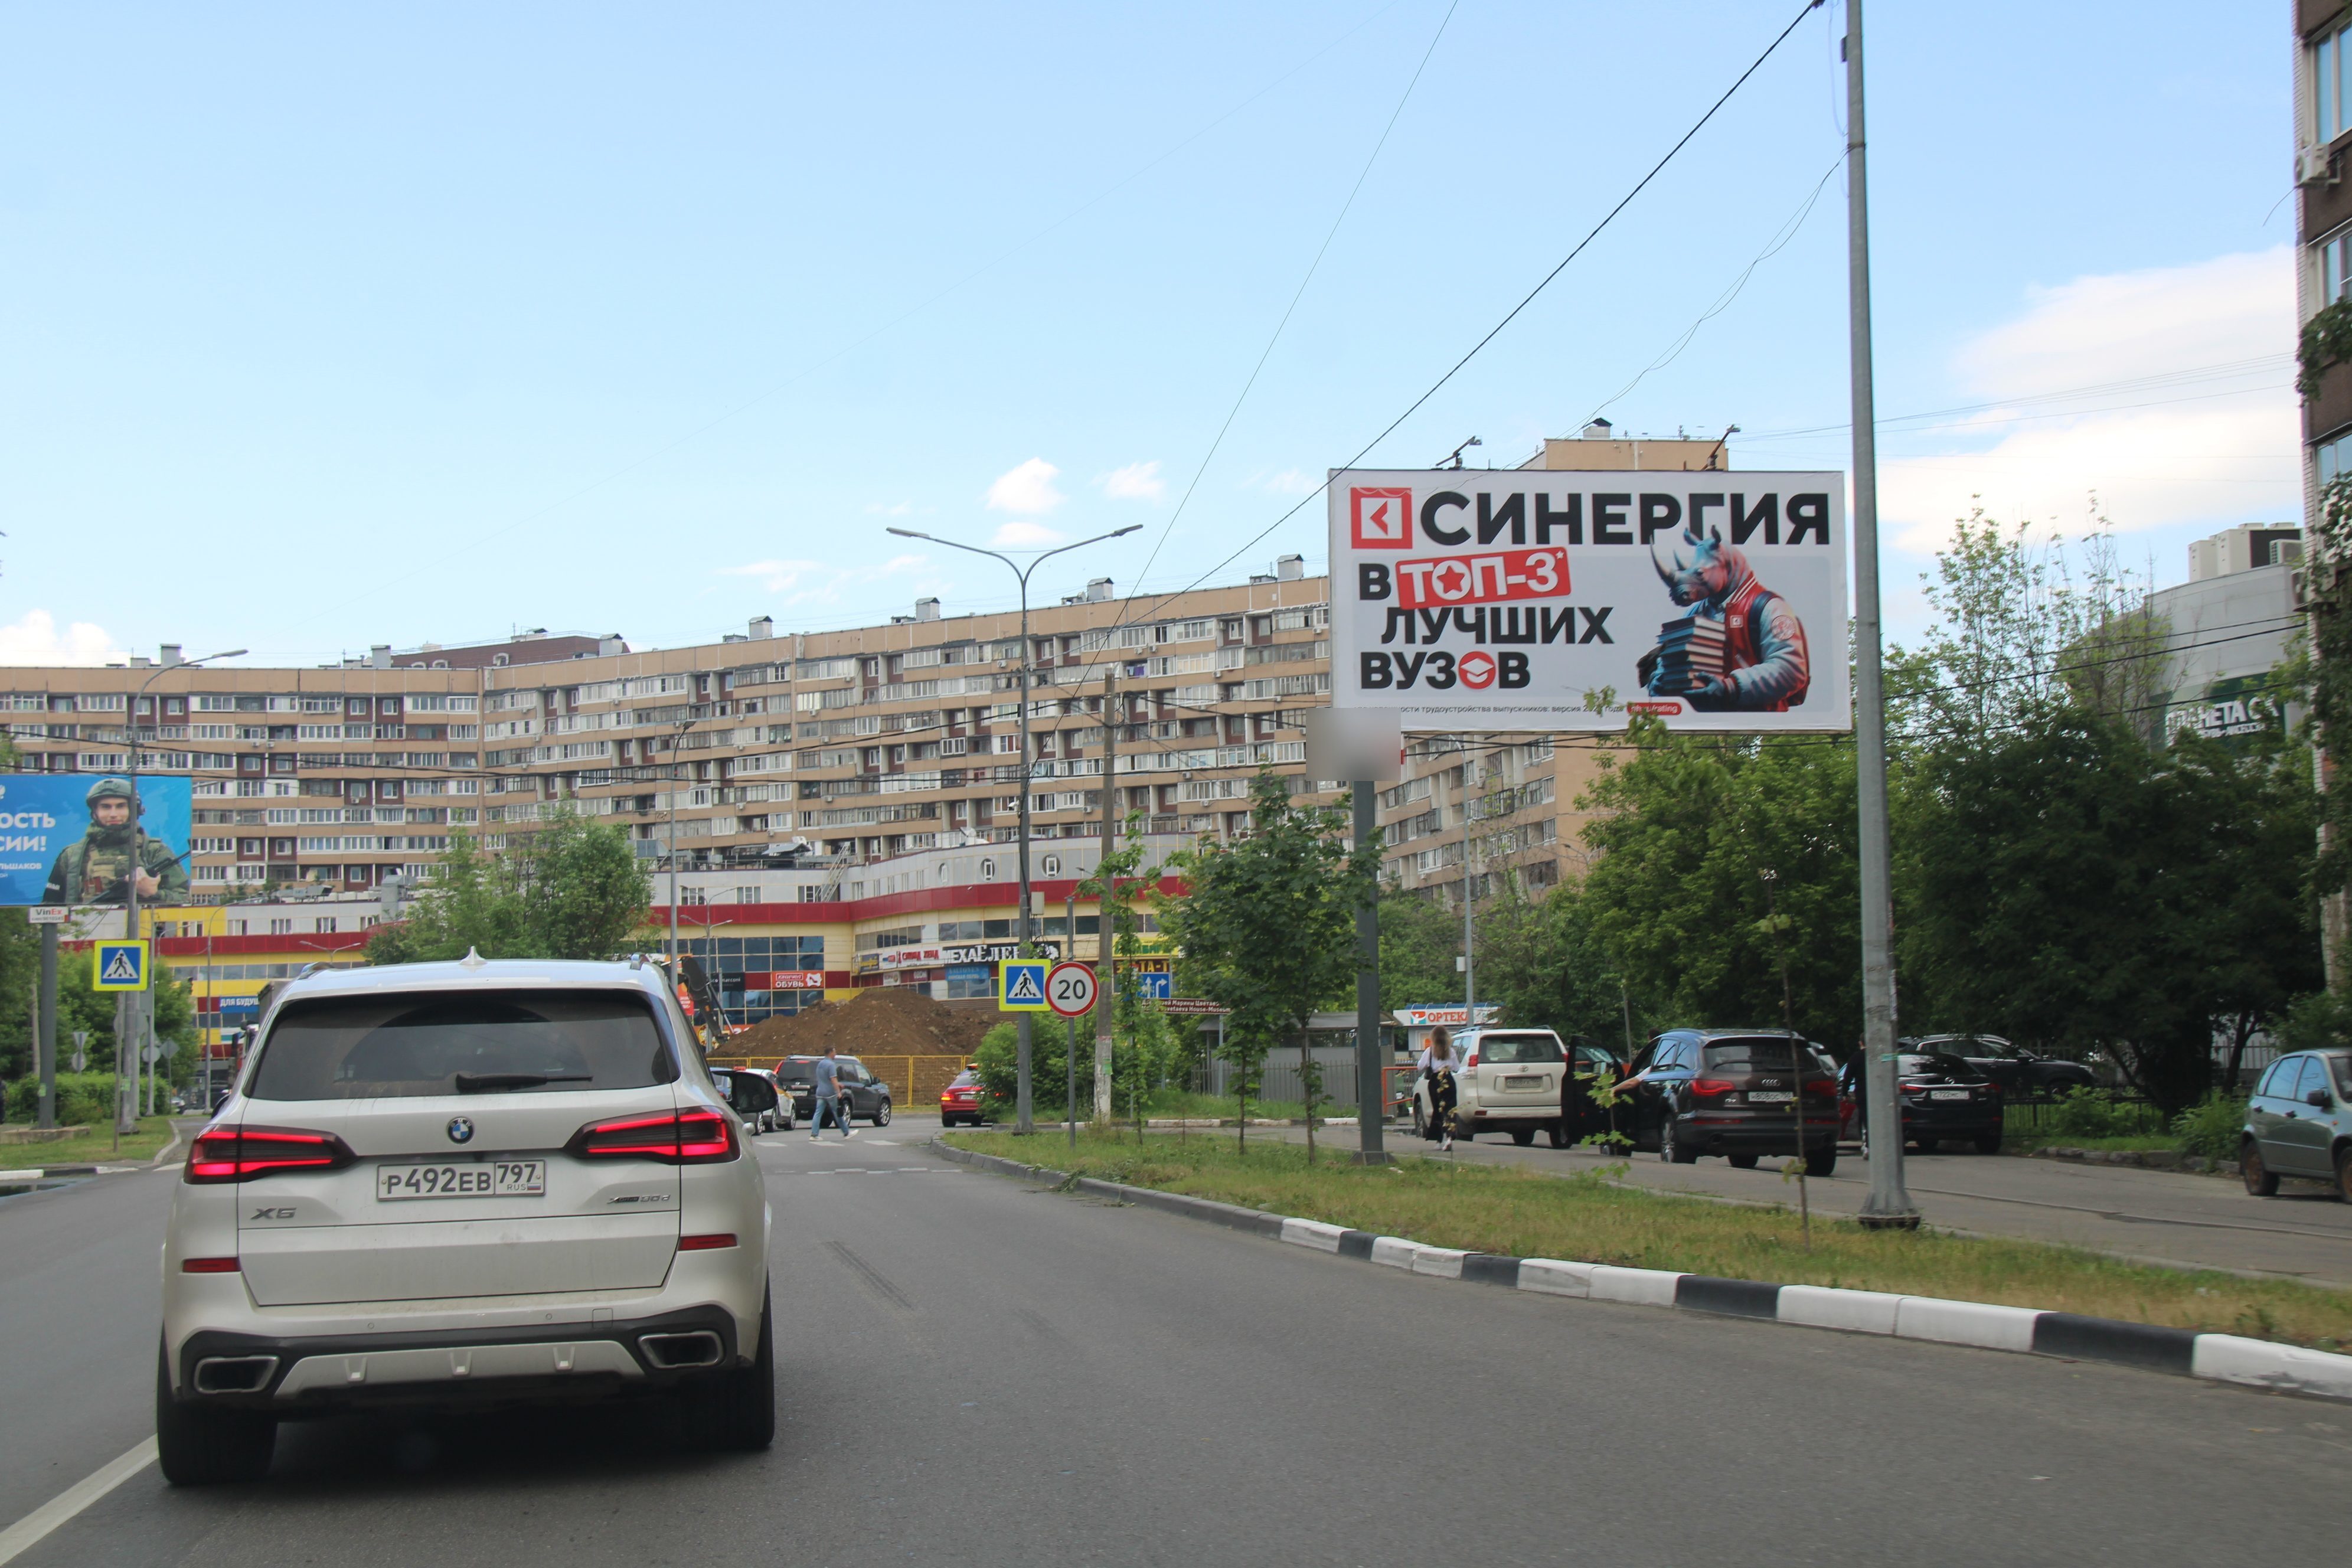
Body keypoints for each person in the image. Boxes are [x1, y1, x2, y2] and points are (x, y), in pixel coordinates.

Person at [1638, 526, 1812, 712]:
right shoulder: (1696, 612)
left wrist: (1732, 687)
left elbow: (1791, 669)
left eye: (1700, 574)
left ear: (1724, 565)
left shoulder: (1769, 608)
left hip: (1760, 723)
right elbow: (1674, 659)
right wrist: (1661, 682)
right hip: (1705, 730)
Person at [41, 778, 188, 907]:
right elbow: (51, 906)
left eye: (121, 806)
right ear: (95, 812)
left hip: (142, 932)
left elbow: (183, 898)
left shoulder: (155, 851)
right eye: (105, 807)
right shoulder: (72, 856)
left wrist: (153, 893)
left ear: (134, 810)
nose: (113, 814)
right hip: (83, 933)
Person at [1418, 1027, 1462, 1152]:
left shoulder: (1430, 1051)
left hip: (1435, 1082)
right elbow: (1457, 1068)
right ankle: (1450, 1138)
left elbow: (1420, 1066)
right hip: (1448, 1080)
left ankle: (1439, 1140)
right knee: (1450, 1110)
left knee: (1438, 1111)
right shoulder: (1451, 1051)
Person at [808, 1044, 854, 1140]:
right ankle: (846, 1132)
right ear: (831, 1053)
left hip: (820, 1092)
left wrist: (839, 1084)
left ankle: (814, 1134)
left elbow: (824, 1078)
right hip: (830, 1093)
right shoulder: (831, 1065)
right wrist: (839, 1092)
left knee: (818, 1113)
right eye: (835, 1052)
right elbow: (833, 1079)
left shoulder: (821, 1064)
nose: (836, 1054)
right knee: (837, 1113)